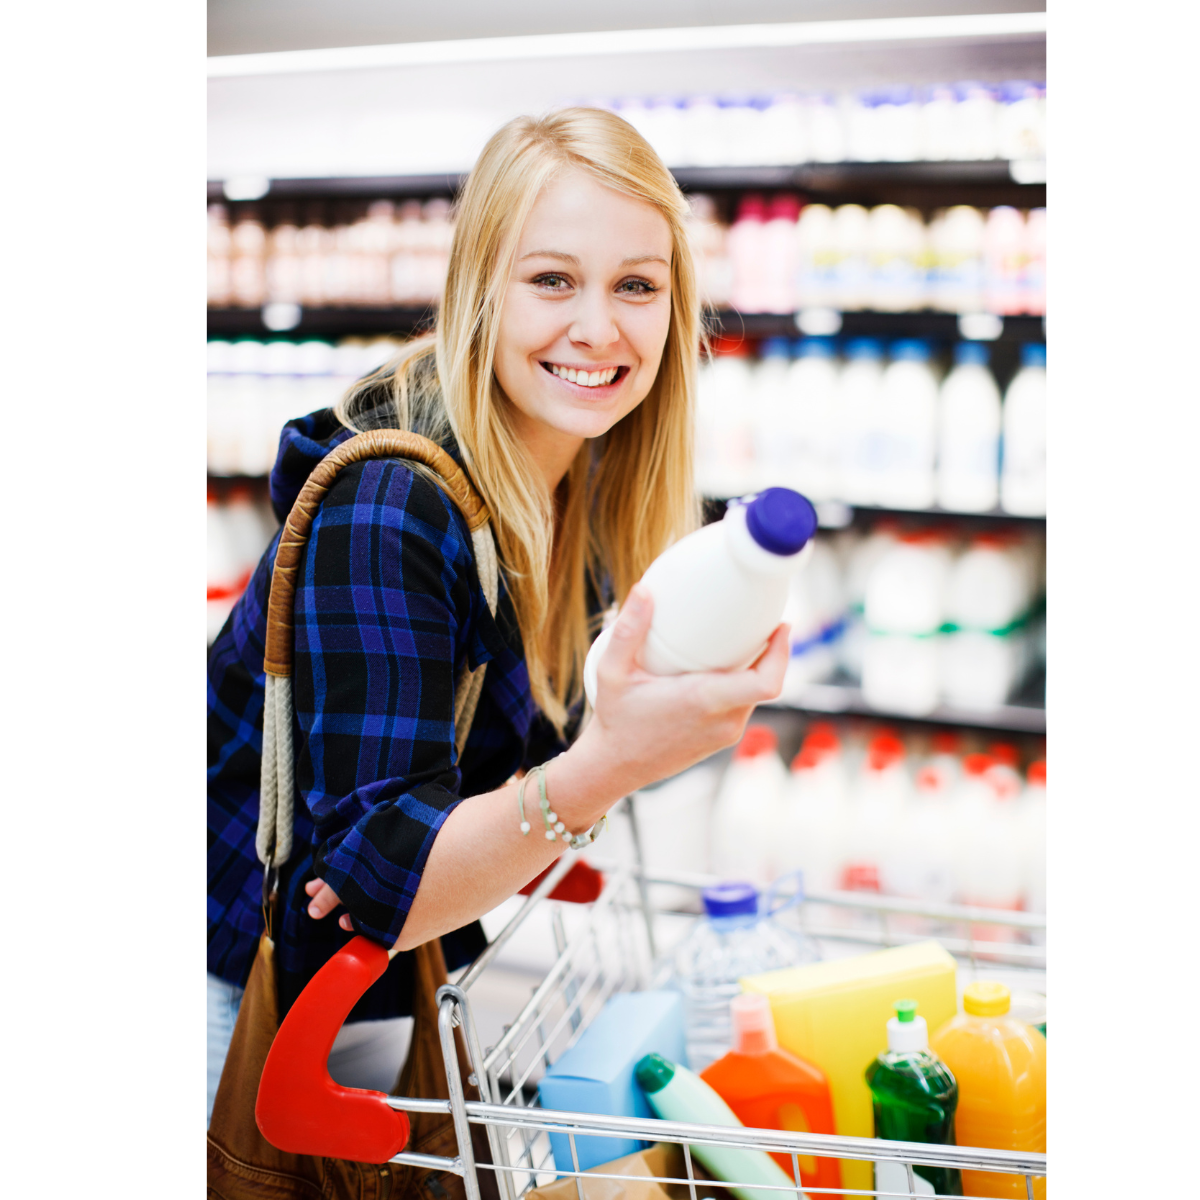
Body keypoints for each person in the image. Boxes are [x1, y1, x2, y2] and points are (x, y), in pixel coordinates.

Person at [207, 107, 789, 1123]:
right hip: (230, 1000)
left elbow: (410, 867)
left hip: (379, 997)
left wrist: (443, 847)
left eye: (637, 286)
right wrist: (604, 767)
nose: (598, 328)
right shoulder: (392, 503)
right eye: (553, 279)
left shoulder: (588, 485)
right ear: (481, 285)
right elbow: (390, 884)